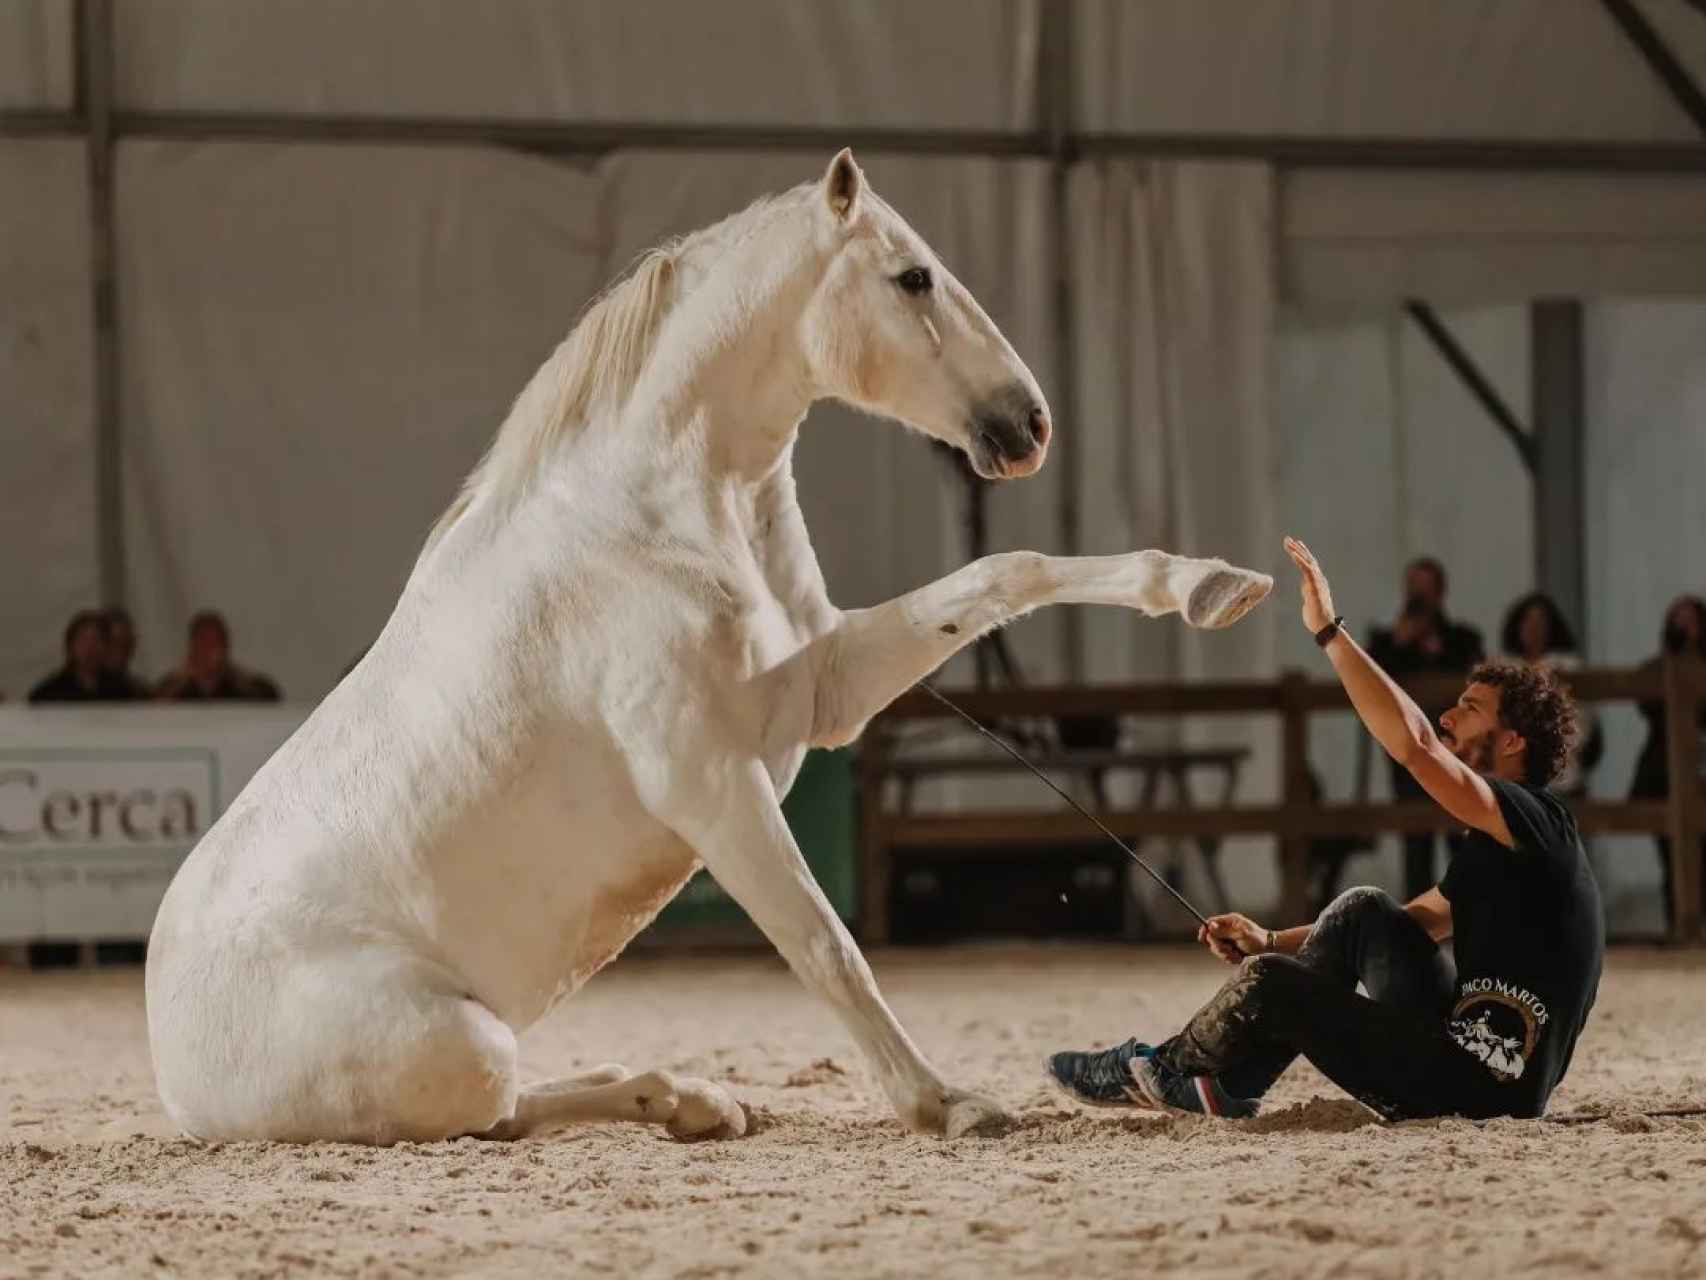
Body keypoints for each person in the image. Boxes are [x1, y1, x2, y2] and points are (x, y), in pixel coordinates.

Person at [1047, 537, 1603, 1122]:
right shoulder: (1506, 844)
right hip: (1461, 1063)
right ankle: (1223, 1084)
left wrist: (1329, 632)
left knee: (1273, 983)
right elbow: (1417, 922)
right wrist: (1271, 939)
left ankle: (1169, 1068)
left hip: (1481, 1086)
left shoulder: (1538, 821)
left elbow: (1413, 745)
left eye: (1469, 708)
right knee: (1364, 910)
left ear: (1513, 741)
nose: (1447, 715)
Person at [1367, 556, 1485, 897]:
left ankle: (1468, 913)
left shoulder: (1461, 638)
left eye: (1424, 588)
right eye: (1411, 587)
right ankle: (1418, 924)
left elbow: (1473, 676)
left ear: (1439, 593)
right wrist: (1402, 642)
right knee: (1415, 841)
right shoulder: (1387, 641)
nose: (1416, 596)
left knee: (1461, 838)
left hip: (1456, 750)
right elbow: (1372, 678)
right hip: (1407, 753)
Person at [1628, 595, 1706, 929]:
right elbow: (1644, 700)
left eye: (1692, 619)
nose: (1685, 626)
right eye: (1679, 619)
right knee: (1671, 857)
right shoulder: (1657, 668)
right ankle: (1678, 924)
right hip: (1663, 773)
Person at [1499, 592, 1601, 798]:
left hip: (1561, 776)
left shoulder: (1569, 667)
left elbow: (1584, 721)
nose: (1533, 628)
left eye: (1540, 621)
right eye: (1527, 620)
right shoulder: (1503, 668)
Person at [155, 611, 282, 702]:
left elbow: (270, 699)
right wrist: (182, 678)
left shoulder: (240, 685)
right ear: (192, 646)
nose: (211, 650)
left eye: (216, 642)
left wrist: (237, 675)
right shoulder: (176, 686)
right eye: (204, 642)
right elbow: (152, 711)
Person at [28, 611, 137, 702]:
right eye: (84, 640)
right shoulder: (50, 692)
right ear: (70, 646)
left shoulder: (122, 689)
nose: (90, 648)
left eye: (97, 640)